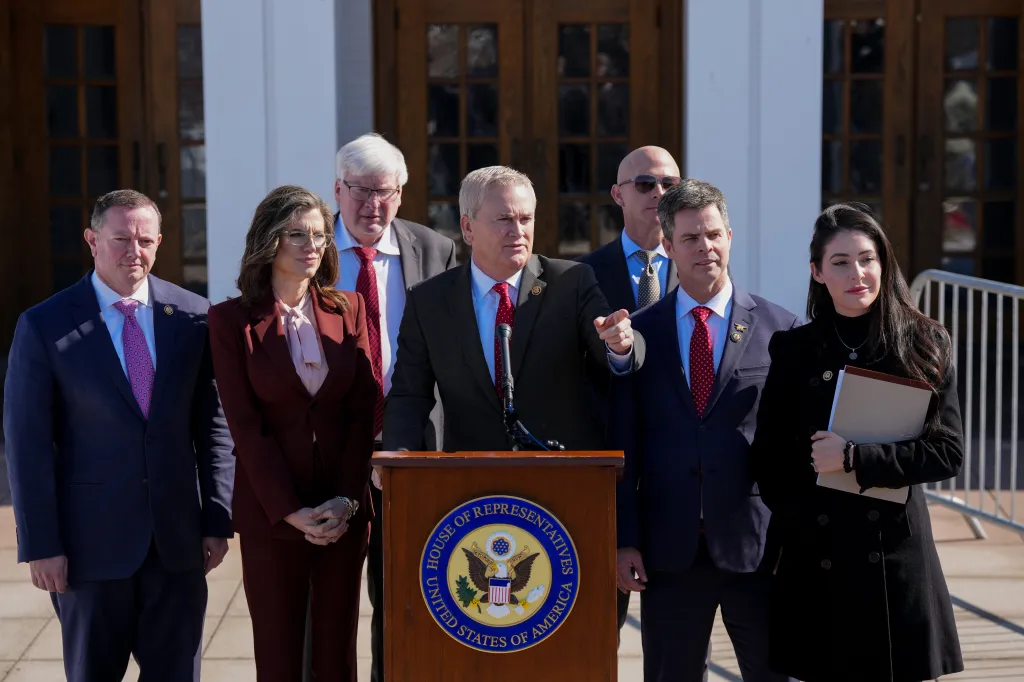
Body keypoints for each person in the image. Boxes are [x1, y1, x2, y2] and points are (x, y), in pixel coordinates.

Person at [3, 189, 234, 682]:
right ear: (91, 240)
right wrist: (41, 543)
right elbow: (27, 447)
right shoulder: (44, 325)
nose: (135, 251)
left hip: (176, 548)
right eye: (121, 239)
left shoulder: (193, 316)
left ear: (159, 243)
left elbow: (214, 426)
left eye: (146, 241)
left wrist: (217, 517)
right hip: (89, 551)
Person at [749, 203, 964, 682]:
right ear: (817, 272)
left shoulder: (924, 343)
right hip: (817, 556)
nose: (857, 274)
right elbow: (768, 458)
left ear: (883, 263)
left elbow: (948, 452)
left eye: (867, 259)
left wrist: (854, 459)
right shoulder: (794, 349)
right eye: (840, 262)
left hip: (894, 554)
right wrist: (804, 508)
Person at [610, 179, 799, 682]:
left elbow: (794, 446)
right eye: (690, 238)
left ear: (730, 237)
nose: (705, 247)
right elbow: (625, 445)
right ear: (668, 246)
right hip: (669, 551)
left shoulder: (782, 330)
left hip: (757, 546)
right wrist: (624, 539)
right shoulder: (640, 333)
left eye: (714, 235)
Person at [208, 185, 377, 682]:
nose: (312, 246)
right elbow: (245, 426)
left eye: (320, 235)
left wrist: (346, 499)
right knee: (279, 653)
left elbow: (361, 413)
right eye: (297, 234)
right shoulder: (230, 321)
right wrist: (289, 510)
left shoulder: (349, 308)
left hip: (342, 511)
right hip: (273, 513)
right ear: (268, 240)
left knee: (336, 653)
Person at [384, 165, 643, 454]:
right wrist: (397, 457)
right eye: (504, 219)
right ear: (468, 228)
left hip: (558, 468)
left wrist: (619, 346)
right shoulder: (430, 300)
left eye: (526, 219)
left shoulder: (571, 282)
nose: (518, 231)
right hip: (471, 472)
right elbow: (409, 395)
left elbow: (609, 352)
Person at [331, 132, 458, 682]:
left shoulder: (435, 249)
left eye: (385, 191)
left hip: (410, 447)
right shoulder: (306, 247)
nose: (372, 204)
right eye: (360, 190)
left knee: (403, 595)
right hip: (328, 449)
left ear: (401, 193)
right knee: (327, 601)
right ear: (337, 189)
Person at [577, 144, 681, 646]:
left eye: (669, 184)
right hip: (609, 462)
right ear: (618, 195)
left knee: (678, 641)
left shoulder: (699, 264)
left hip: (677, 469)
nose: (659, 193)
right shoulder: (582, 274)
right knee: (598, 635)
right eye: (645, 184)